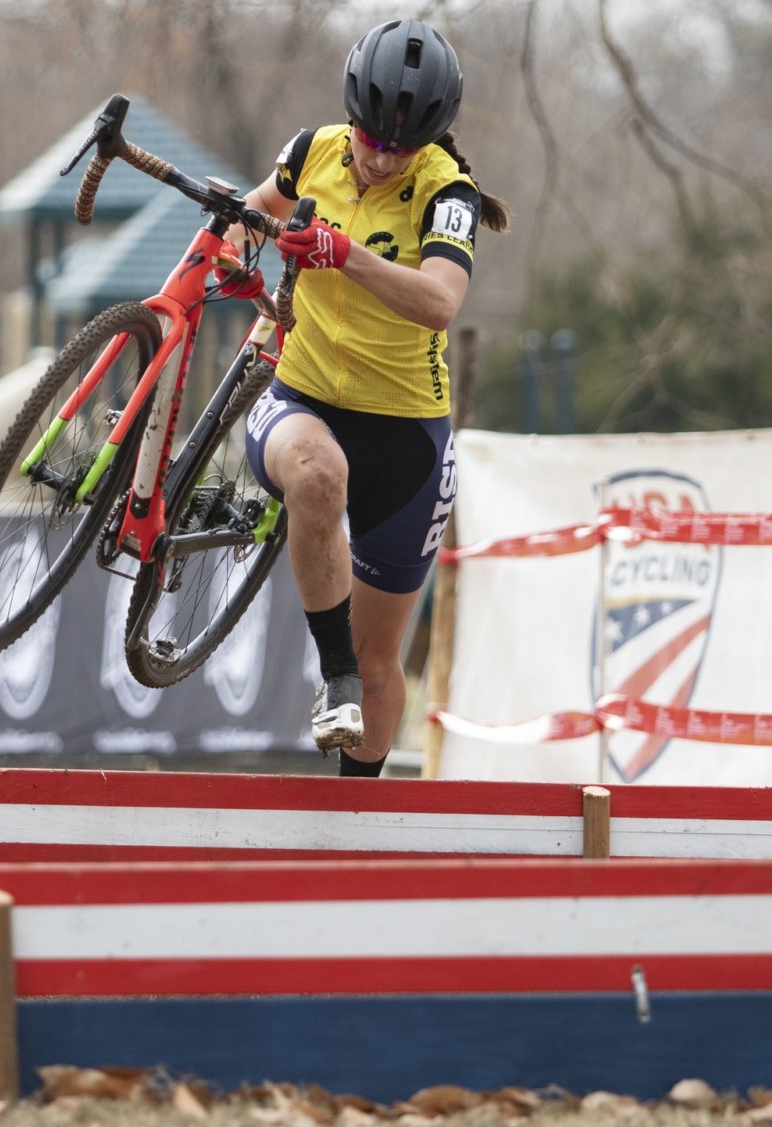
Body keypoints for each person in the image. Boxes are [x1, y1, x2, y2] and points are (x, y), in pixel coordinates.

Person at [232, 18, 510, 777]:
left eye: (401, 147)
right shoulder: (311, 150)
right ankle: (334, 673)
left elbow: (439, 302)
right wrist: (236, 251)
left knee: (384, 661)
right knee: (318, 478)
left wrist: (344, 254)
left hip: (407, 441)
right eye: (369, 138)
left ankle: (361, 812)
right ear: (350, 114)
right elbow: (252, 213)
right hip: (305, 397)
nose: (379, 156)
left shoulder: (445, 192)